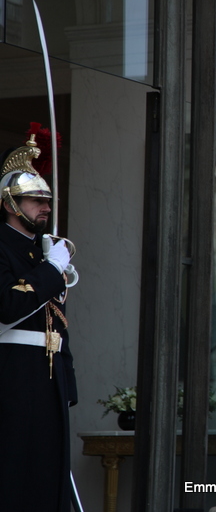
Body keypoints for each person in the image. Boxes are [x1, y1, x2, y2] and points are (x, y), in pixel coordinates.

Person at [0, 133, 79, 511]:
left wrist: (68, 378)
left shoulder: (43, 248)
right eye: (36, 200)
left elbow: (56, 323)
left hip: (48, 377)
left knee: (50, 475)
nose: (44, 208)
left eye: (47, 201)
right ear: (10, 203)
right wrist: (51, 270)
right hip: (11, 374)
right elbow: (7, 306)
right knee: (16, 474)